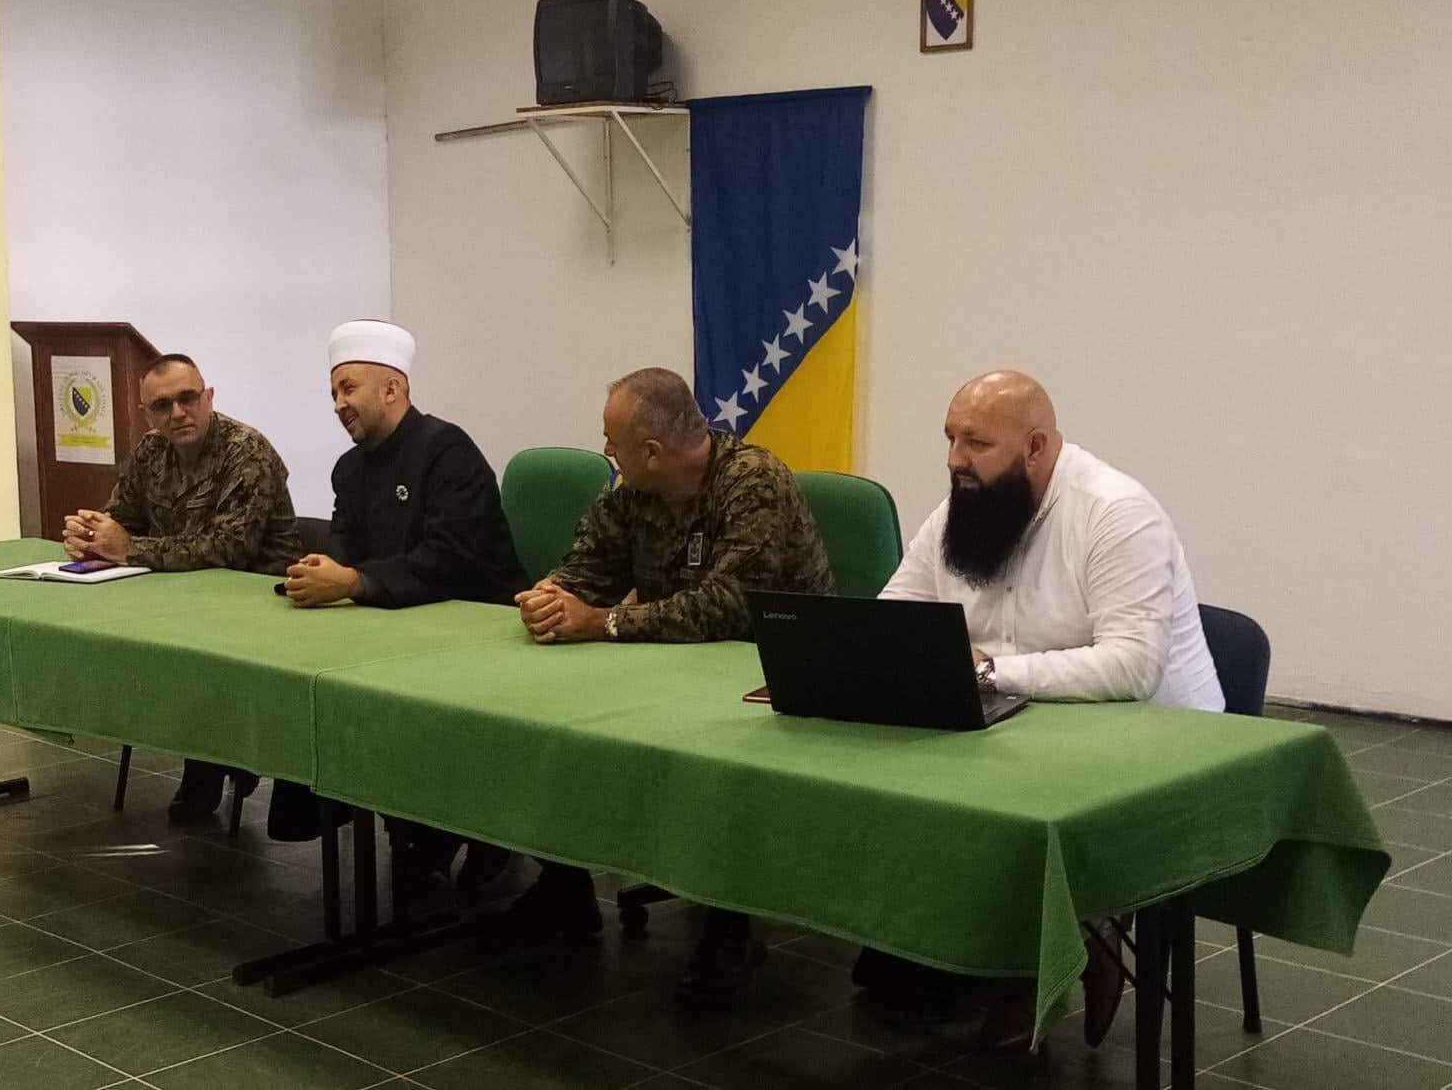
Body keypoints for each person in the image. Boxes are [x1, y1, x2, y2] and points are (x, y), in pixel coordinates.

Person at [869, 369, 1224, 1050]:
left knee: (1006, 802)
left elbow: (1132, 667)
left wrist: (986, 670)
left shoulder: (1117, 512)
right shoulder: (959, 510)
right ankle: (994, 954)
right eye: (950, 439)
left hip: (1159, 745)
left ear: (1035, 447)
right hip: (1024, 724)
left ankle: (1054, 952)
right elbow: (893, 621)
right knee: (898, 778)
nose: (955, 460)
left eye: (976, 443)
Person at [501, 367, 834, 1007]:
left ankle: (730, 925)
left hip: (767, 675)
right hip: (668, 667)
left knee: (718, 760)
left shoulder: (752, 480)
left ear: (651, 452)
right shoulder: (633, 493)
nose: (606, 452)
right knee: (553, 719)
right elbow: (587, 568)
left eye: (613, 441)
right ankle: (562, 883)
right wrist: (551, 597)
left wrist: (604, 622)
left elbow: (731, 608)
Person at [268, 320, 528, 891]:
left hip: (477, 623)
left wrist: (355, 582)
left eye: (348, 389)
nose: (338, 404)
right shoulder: (349, 468)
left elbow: (451, 560)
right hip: (391, 621)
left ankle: (476, 829)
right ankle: (397, 821)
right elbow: (346, 547)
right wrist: (321, 573)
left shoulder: (447, 451)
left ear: (392, 388)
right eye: (333, 392)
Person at [62, 353, 302, 823]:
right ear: (146, 413)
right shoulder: (151, 451)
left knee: (201, 650)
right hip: (181, 596)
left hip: (257, 600)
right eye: (162, 405)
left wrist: (129, 549)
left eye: (188, 398)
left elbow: (230, 547)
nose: (178, 413)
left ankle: (213, 761)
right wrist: (90, 535)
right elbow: (122, 519)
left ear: (208, 397)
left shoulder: (246, 450)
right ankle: (209, 754)